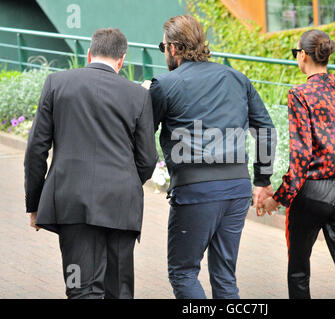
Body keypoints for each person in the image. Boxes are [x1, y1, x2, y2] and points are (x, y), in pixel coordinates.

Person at [147, 15, 276, 299]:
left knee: (183, 273)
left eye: (163, 46)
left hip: (195, 190)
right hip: (237, 188)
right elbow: (266, 129)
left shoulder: (164, 85)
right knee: (225, 277)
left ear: (172, 48)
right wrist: (262, 180)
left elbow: (144, 135)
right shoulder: (237, 78)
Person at [24, 28, 158, 299]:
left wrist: (35, 203)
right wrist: (126, 182)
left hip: (72, 204)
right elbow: (147, 158)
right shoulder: (138, 95)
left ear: (88, 54)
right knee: (119, 290)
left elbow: (36, 149)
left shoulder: (56, 83)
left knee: (80, 288)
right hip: (121, 206)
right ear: (122, 60)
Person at [262, 30, 335, 299]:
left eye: (296, 53)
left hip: (312, 193)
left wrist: (277, 199)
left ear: (303, 55)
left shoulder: (299, 95)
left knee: (299, 272)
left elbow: (300, 160)